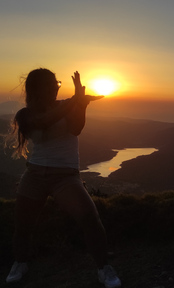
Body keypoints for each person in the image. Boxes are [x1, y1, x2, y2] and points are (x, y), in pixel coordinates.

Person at [5, 68, 121, 288]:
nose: (56, 87)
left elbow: (76, 128)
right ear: (37, 88)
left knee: (89, 217)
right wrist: (75, 100)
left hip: (65, 176)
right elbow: (45, 122)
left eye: (56, 83)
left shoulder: (66, 105)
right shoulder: (25, 114)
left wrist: (81, 104)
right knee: (23, 224)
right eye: (51, 84)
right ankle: (20, 262)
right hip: (35, 173)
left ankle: (104, 268)